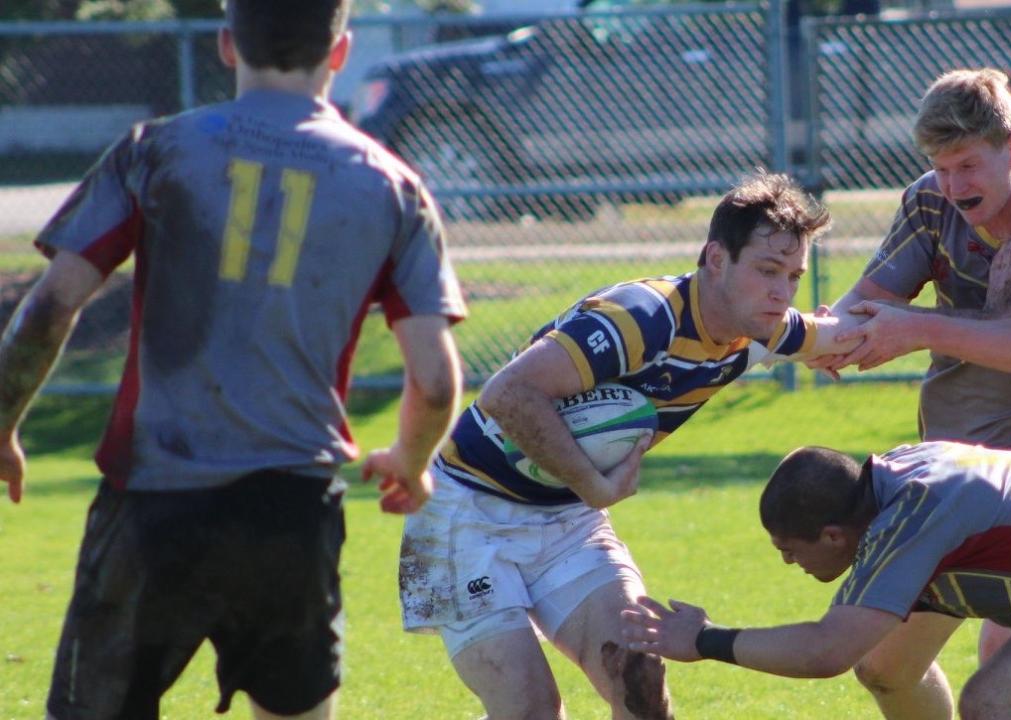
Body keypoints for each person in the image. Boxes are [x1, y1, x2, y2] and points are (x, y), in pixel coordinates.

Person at [0, 0, 467, 716]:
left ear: (225, 45)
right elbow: (435, 380)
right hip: (290, 506)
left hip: (155, 498)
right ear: (339, 52)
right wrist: (411, 458)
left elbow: (49, 308)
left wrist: (3, 424)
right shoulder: (392, 186)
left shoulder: (154, 150)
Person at [399, 171, 862, 720]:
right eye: (767, 271)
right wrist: (594, 483)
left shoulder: (762, 327)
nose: (782, 292)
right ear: (716, 259)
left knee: (640, 673)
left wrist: (890, 333)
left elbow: (839, 332)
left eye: (793, 275)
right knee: (529, 708)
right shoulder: (639, 319)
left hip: (565, 519)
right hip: (464, 515)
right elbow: (507, 393)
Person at [810, 67, 1011, 713]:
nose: (952, 186)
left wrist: (921, 328)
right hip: (952, 486)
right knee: (881, 666)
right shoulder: (929, 202)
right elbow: (862, 312)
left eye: (967, 166)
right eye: (939, 167)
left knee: (1004, 676)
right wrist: (782, 329)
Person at [622, 443, 1011, 719]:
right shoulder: (888, 495)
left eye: (790, 552)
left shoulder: (913, 515)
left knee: (991, 705)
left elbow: (824, 652)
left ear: (834, 536)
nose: (789, 564)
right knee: (886, 667)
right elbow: (859, 654)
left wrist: (704, 640)